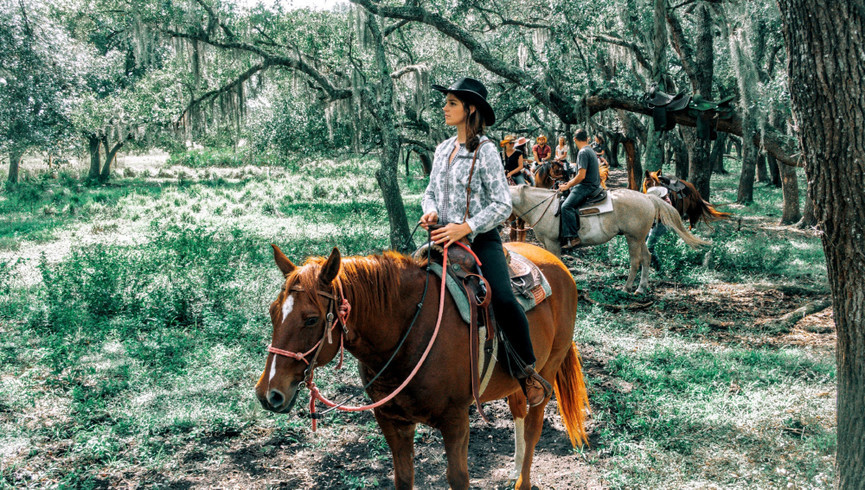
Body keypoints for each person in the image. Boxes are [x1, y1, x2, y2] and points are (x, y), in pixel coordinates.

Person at [420, 77, 552, 407]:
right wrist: (431, 211)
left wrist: (464, 228)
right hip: (440, 238)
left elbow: (502, 205)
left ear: (470, 108)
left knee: (505, 300)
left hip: (480, 241)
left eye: (451, 103)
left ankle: (527, 373)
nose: (444, 107)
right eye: (446, 102)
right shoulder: (442, 150)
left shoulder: (487, 151)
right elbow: (430, 192)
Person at [557, 129, 602, 249]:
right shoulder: (590, 150)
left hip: (586, 186)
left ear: (575, 139)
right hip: (594, 184)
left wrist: (568, 185)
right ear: (587, 138)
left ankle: (573, 237)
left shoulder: (582, 152)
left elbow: (581, 176)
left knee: (566, 206)